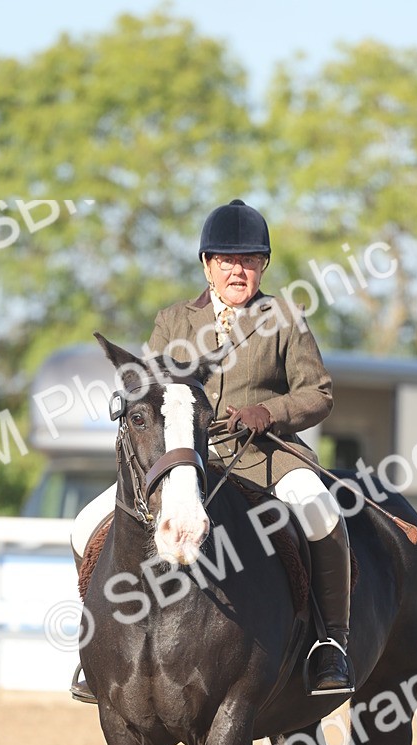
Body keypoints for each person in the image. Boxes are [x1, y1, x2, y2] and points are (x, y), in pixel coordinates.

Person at [71, 198, 355, 703]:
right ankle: (96, 647)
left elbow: (320, 393)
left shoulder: (283, 317)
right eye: (227, 261)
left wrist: (270, 413)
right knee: (86, 524)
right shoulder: (173, 320)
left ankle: (330, 642)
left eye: (249, 261)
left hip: (266, 454)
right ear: (207, 265)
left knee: (319, 507)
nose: (238, 270)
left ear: (263, 265)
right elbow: (151, 392)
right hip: (190, 459)